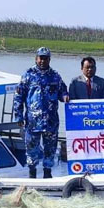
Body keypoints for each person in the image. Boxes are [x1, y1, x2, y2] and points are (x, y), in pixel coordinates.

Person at [13, 47, 68, 179]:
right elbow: (18, 96)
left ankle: (47, 175)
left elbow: (63, 92)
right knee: (32, 150)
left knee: (50, 150)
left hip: (51, 121)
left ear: (49, 59)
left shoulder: (55, 76)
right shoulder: (28, 75)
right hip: (33, 122)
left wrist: (65, 97)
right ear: (36, 58)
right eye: (40, 58)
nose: (42, 60)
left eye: (45, 58)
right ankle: (32, 175)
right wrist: (18, 116)